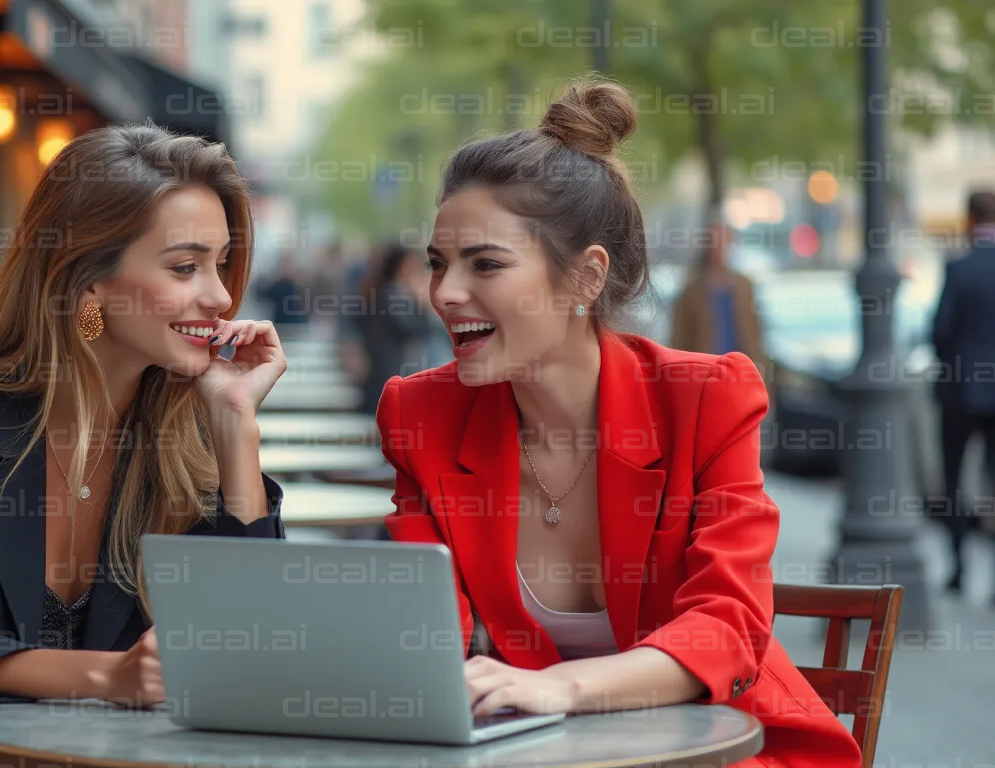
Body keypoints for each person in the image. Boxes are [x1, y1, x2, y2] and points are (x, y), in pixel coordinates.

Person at [376, 79, 860, 767]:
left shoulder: (706, 399)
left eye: (485, 263)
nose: (446, 293)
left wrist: (558, 686)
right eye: (437, 264)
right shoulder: (419, 414)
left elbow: (727, 626)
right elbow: (424, 635)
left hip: (713, 750)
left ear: (585, 278)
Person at [0, 124, 289, 768]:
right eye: (186, 267)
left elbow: (250, 655)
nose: (223, 296)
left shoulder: (193, 425)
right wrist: (105, 676)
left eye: (222, 263)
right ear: (88, 280)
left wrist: (237, 429)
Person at [930, 189, 995, 596]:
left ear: (970, 219)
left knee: (953, 480)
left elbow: (939, 331)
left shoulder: (958, 267)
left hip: (960, 392)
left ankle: (958, 566)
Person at [669, 209, 769, 378]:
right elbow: (679, 340)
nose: (719, 246)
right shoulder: (693, 290)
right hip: (707, 375)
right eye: (714, 240)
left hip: (742, 374)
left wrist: (764, 378)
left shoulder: (744, 286)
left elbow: (756, 334)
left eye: (724, 239)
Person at [356, 243, 432, 415]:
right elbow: (415, 328)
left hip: (385, 367)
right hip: (388, 369)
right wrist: (423, 306)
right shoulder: (392, 294)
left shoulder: (389, 292)